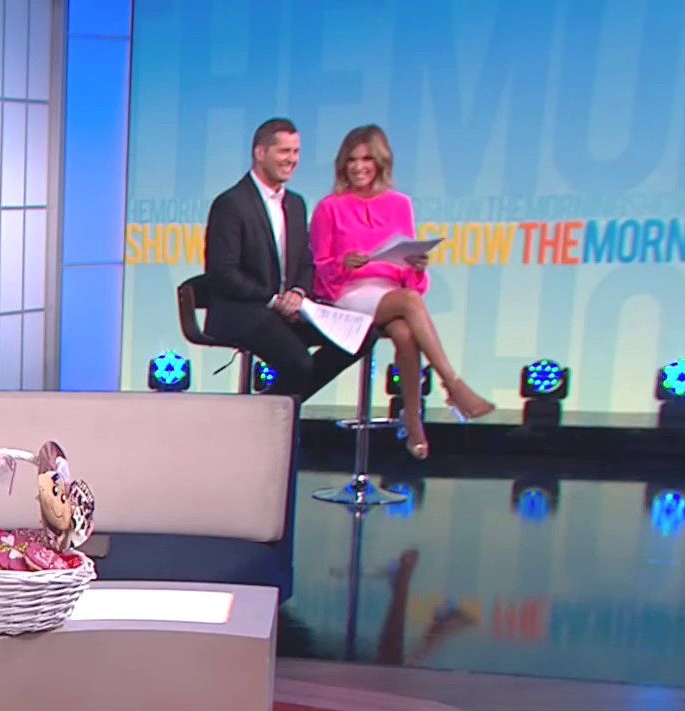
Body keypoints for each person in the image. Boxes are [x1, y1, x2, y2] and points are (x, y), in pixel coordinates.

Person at [310, 125, 496, 458]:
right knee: (408, 302)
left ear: (381, 162)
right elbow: (317, 271)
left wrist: (417, 268)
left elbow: (409, 279)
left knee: (406, 333)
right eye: (351, 160)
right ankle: (453, 384)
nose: (358, 167)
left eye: (367, 159)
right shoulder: (329, 207)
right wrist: (342, 263)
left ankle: (412, 419)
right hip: (347, 293)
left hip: (391, 294)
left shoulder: (400, 204)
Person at [203, 118, 367, 401]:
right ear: (260, 153)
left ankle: (272, 406)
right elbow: (223, 273)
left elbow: (305, 260)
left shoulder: (296, 203)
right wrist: (275, 300)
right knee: (298, 364)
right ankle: (273, 415)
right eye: (284, 151)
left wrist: (298, 292)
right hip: (243, 310)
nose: (292, 159)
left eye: (296, 152)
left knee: (362, 335)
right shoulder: (231, 203)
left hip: (288, 310)